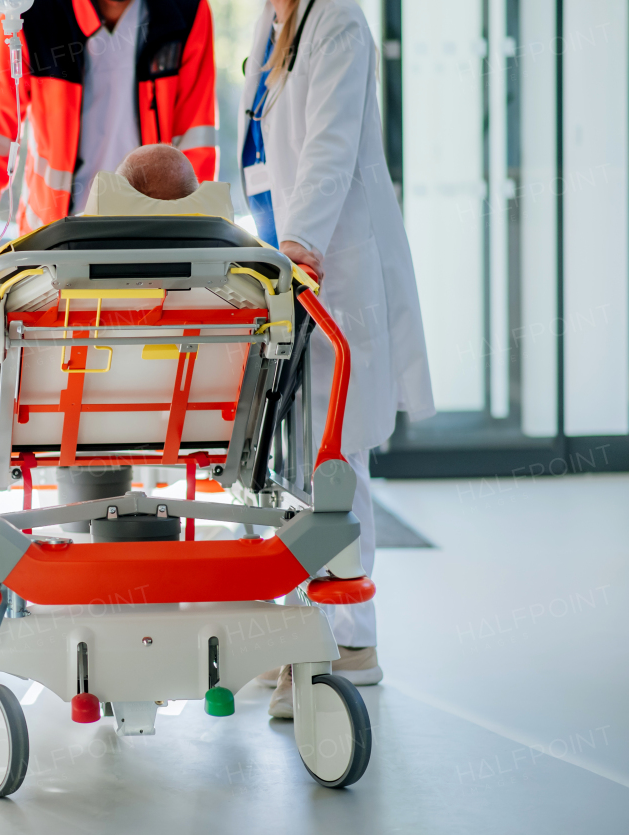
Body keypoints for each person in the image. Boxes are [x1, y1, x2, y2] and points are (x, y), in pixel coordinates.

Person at [238, 0, 434, 717]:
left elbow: (328, 147)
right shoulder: (273, 22)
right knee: (293, 459)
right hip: (282, 271)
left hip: (327, 269)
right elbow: (258, 148)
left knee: (336, 454)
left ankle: (349, 640)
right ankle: (303, 628)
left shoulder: (339, 23)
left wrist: (301, 247)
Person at [0, 0, 218, 252]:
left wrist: (195, 238)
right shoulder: (27, 13)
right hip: (52, 243)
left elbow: (195, 141)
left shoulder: (187, 11)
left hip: (154, 241)